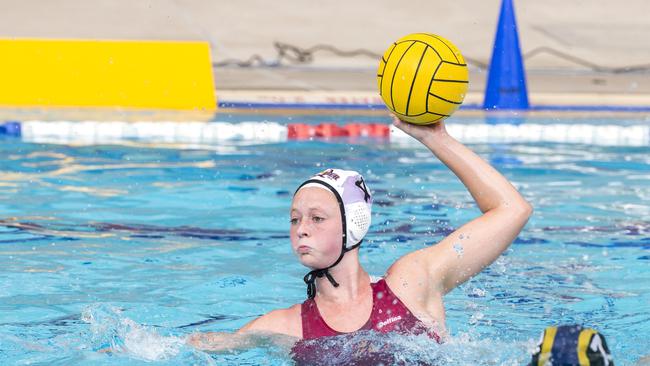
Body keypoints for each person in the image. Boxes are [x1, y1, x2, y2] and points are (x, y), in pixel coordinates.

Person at [188, 117, 533, 357]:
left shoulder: (412, 284)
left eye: (317, 218)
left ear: (352, 223)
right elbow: (186, 349)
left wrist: (435, 138)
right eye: (294, 219)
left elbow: (511, 209)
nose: (301, 229)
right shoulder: (285, 326)